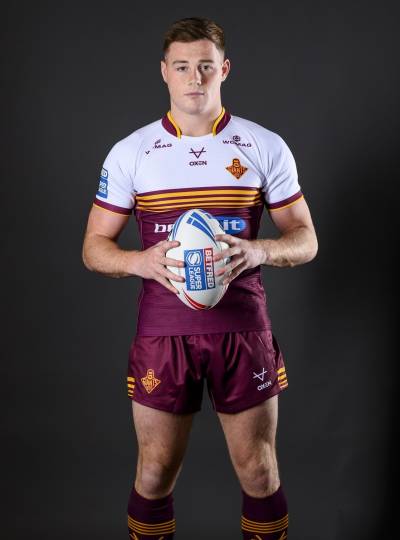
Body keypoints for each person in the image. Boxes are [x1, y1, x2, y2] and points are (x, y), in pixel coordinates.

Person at [82, 16, 317, 540]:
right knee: (154, 472)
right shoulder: (132, 151)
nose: (195, 78)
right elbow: (93, 247)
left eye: (206, 66)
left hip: (242, 329)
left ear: (224, 70)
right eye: (183, 66)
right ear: (164, 71)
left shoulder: (262, 145)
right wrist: (139, 262)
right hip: (163, 333)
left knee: (259, 471)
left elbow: (306, 239)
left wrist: (258, 249)